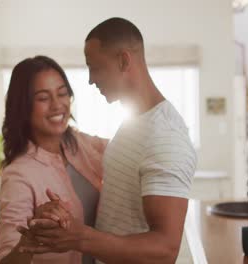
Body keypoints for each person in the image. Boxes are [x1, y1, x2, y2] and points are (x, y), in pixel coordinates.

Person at [19, 17, 197, 263]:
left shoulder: (165, 136)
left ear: (123, 60)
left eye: (95, 67)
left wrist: (79, 237)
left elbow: (165, 249)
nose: (91, 79)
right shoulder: (135, 122)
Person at [0, 55, 107, 264]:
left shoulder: (80, 144)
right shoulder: (19, 175)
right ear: (24, 107)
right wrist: (30, 236)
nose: (57, 105)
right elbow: (2, 260)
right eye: (43, 98)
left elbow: (127, 153)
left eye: (62, 94)